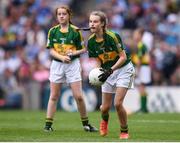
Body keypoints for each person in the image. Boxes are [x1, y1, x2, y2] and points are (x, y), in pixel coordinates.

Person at [44, 5, 97, 132]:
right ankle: (48, 126)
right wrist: (61, 57)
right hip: (57, 65)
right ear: (57, 16)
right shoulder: (52, 31)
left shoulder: (75, 31)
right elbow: (51, 50)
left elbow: (84, 49)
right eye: (59, 14)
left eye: (64, 14)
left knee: (78, 96)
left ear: (69, 15)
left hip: (72, 65)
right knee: (54, 96)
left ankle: (86, 124)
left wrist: (72, 53)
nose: (61, 16)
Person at [87, 11, 135, 139]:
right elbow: (98, 61)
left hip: (123, 69)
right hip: (107, 72)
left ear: (102, 24)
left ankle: (124, 131)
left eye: (95, 21)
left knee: (118, 104)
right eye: (90, 21)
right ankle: (104, 122)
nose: (92, 24)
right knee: (104, 108)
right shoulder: (91, 41)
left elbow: (123, 57)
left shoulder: (113, 36)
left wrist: (110, 70)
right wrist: (97, 75)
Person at [132, 28, 151, 113]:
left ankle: (143, 108)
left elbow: (139, 59)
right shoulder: (141, 45)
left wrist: (137, 71)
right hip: (144, 67)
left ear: (140, 35)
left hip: (143, 67)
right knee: (142, 87)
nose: (134, 36)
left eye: (136, 34)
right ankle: (144, 107)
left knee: (141, 87)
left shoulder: (141, 45)